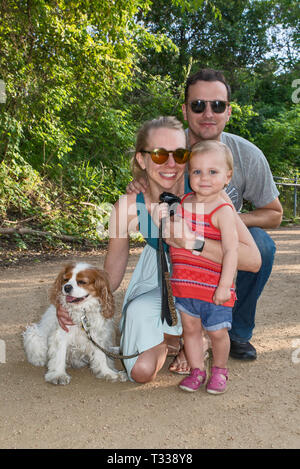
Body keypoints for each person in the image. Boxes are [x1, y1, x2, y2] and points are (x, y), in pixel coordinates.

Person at [57, 116, 261, 384]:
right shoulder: (128, 206)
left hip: (200, 280)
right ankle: (172, 340)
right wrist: (75, 298)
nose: (171, 163)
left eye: (179, 153)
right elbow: (113, 272)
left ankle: (196, 337)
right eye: (159, 154)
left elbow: (253, 260)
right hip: (156, 280)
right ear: (142, 160)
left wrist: (193, 242)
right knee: (140, 372)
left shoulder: (208, 195)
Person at [126, 68, 283, 366]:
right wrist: (140, 185)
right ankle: (183, 330)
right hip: (176, 241)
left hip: (215, 236)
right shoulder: (171, 150)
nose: (208, 113)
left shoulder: (247, 155)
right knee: (167, 237)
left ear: (229, 111)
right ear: (185, 110)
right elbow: (145, 179)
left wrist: (229, 223)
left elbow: (275, 214)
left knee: (261, 245)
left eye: (217, 105)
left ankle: (236, 330)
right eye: (198, 105)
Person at [162, 140, 238, 394]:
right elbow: (170, 236)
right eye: (197, 171)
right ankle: (197, 371)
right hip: (185, 287)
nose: (204, 178)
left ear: (228, 176)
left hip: (214, 289)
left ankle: (219, 370)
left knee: (217, 333)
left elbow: (231, 251)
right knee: (191, 332)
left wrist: (225, 285)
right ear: (189, 174)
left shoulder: (223, 211)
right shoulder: (182, 203)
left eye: (213, 172)